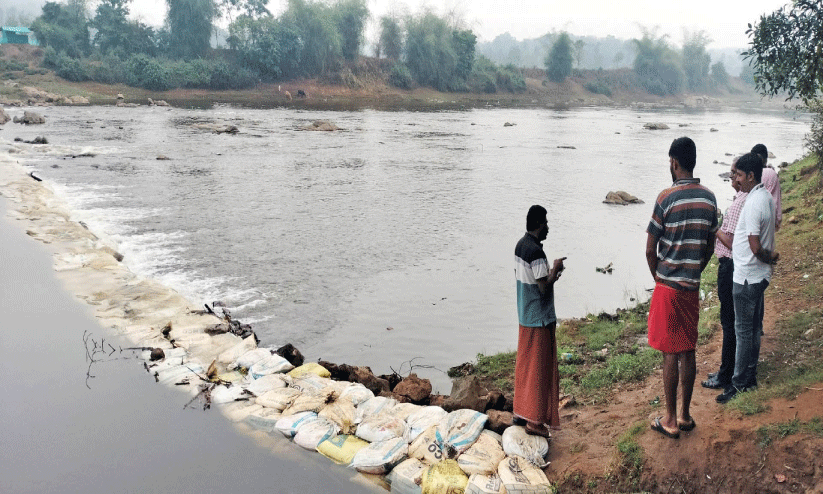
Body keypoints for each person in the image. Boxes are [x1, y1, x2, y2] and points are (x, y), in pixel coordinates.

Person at [645, 137, 718, 438]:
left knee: (669, 354)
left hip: (668, 286)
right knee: (688, 349)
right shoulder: (709, 199)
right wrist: (695, 269)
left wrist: (658, 277)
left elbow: (650, 250)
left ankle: (670, 420)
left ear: (674, 162)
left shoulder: (665, 198)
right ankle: (686, 416)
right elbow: (710, 246)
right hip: (690, 286)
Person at [716, 153, 778, 404]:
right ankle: (749, 377)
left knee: (743, 331)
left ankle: (739, 383)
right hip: (755, 275)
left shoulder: (753, 203)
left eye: (739, 175)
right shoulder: (763, 196)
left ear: (751, 175)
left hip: (747, 277)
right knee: (751, 329)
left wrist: (769, 258)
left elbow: (754, 244)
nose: (736, 180)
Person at [513, 205, 566, 437]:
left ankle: (521, 412)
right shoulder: (536, 253)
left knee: (526, 368)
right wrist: (555, 270)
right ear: (538, 224)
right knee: (540, 371)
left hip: (525, 315)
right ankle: (534, 422)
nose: (548, 228)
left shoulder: (520, 246)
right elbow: (543, 288)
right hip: (540, 319)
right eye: (546, 223)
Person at [702, 158, 748, 390]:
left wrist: (715, 228)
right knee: (731, 321)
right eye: (731, 174)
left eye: (734, 174)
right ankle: (727, 369)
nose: (732, 179)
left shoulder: (741, 203)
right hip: (732, 266)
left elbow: (731, 242)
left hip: (729, 266)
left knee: (729, 322)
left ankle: (726, 374)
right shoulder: (742, 199)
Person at [751, 144, 782, 231]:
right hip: (772, 218)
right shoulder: (772, 173)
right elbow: (778, 196)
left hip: (759, 219)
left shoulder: (759, 174)